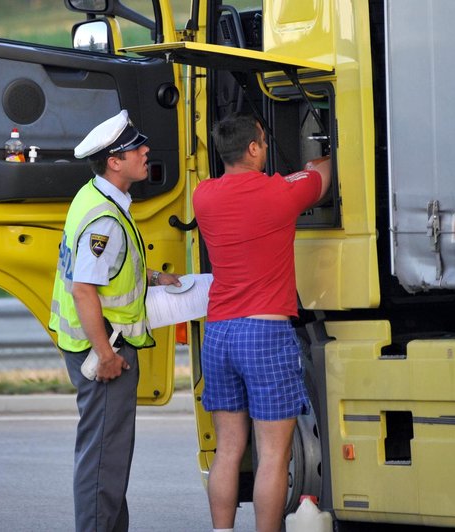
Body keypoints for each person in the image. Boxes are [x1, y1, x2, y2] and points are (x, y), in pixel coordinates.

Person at [192, 113, 332, 532]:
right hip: (265, 332)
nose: (266, 149)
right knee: (273, 453)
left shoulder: (203, 196)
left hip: (219, 334)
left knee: (229, 450)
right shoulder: (278, 192)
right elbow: (323, 172)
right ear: (253, 148)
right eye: (263, 143)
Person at [49, 109, 181, 532]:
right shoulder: (103, 217)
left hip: (102, 346)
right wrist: (105, 355)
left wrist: (157, 278)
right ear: (114, 161)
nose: (145, 151)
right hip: (104, 351)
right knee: (103, 463)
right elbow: (84, 289)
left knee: (109, 460)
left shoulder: (96, 197)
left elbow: (106, 274)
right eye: (135, 147)